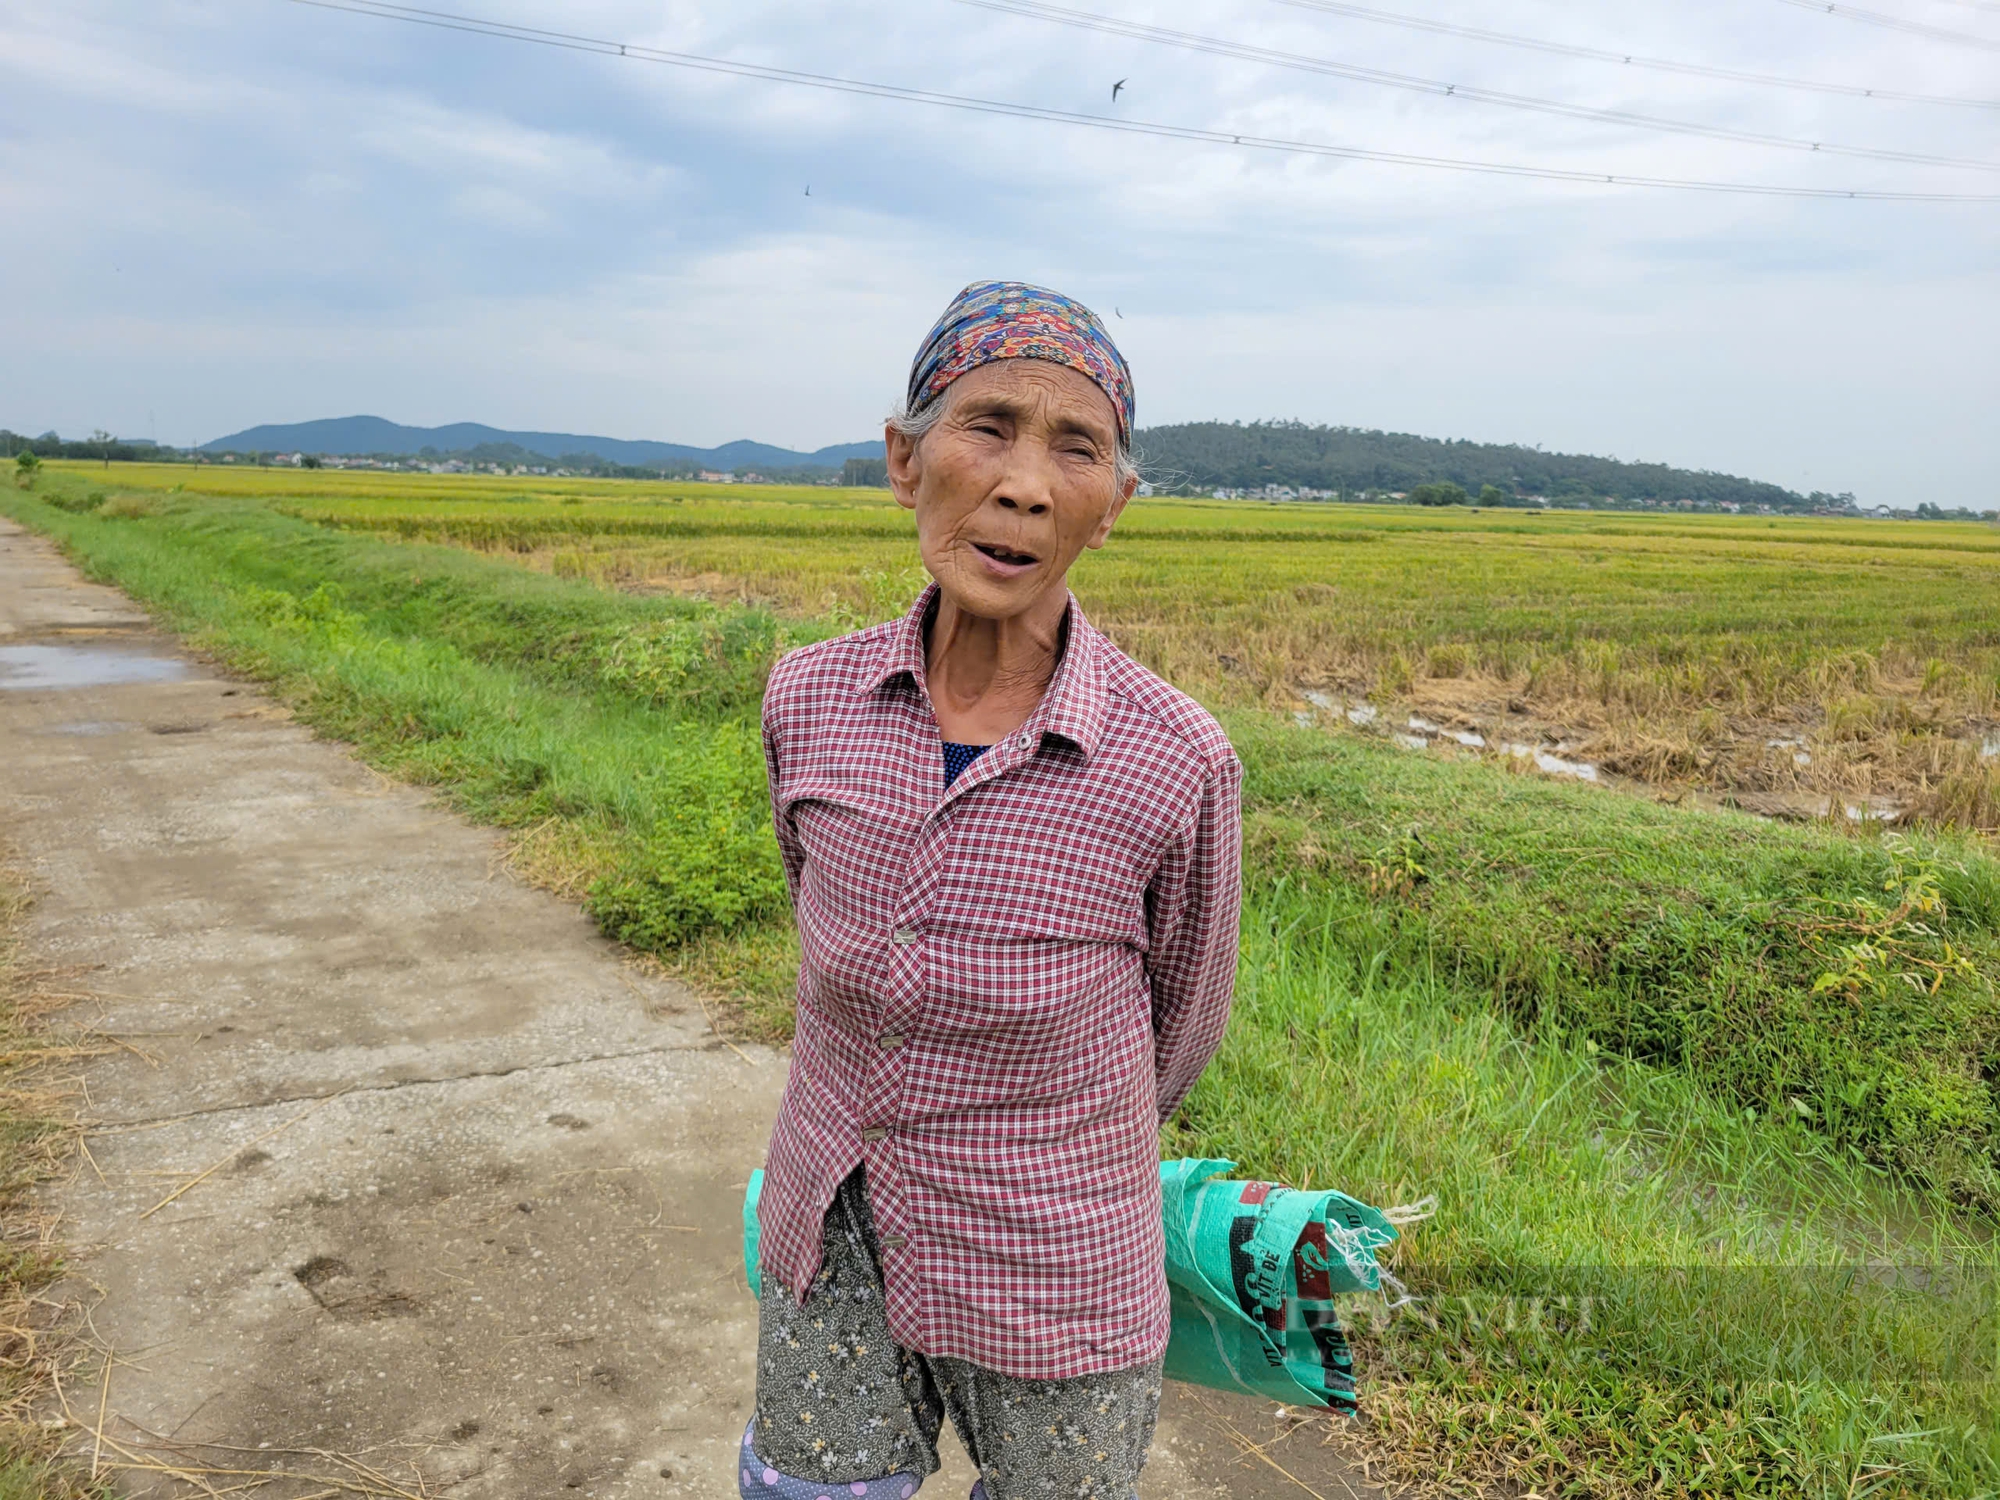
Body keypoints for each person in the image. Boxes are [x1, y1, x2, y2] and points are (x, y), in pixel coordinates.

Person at [743, 282, 1243, 1500]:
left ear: (1109, 507)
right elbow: (821, 932)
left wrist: (1040, 1154)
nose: (1022, 483)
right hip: (833, 1227)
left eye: (1073, 448)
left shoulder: (1176, 760)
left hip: (1055, 1263)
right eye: (987, 428)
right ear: (904, 462)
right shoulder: (806, 699)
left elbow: (1179, 1028)